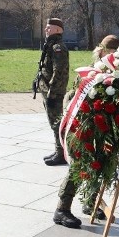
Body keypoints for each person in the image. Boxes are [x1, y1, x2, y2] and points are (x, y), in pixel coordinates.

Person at [52, 34, 119, 229]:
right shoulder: (89, 73)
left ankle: (90, 201)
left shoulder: (116, 74)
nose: (115, 58)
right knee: (78, 165)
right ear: (102, 52)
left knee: (99, 162)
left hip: (100, 126)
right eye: (112, 54)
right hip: (80, 125)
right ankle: (62, 209)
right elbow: (72, 99)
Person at [40, 18, 70, 167]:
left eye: (49, 28)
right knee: (53, 123)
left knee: (57, 123)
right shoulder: (50, 45)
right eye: (46, 27)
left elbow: (59, 72)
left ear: (58, 30)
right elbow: (46, 67)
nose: (46, 30)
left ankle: (62, 153)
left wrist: (52, 93)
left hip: (54, 93)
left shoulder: (58, 47)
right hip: (48, 90)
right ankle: (58, 150)